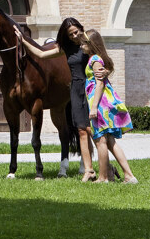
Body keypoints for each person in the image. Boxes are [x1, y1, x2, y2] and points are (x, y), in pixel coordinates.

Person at [19, 17, 96, 181]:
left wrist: (104, 73)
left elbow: (103, 61)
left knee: (93, 131)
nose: (74, 35)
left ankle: (107, 166)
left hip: (89, 88)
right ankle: (88, 169)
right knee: (81, 129)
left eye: (76, 32)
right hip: (75, 89)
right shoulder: (66, 48)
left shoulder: (90, 44)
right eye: (70, 34)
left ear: (81, 29)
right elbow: (41, 53)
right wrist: (23, 40)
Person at [83, 30, 137, 184]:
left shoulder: (94, 59)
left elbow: (99, 83)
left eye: (84, 43)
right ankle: (129, 175)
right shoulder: (97, 59)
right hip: (101, 103)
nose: (81, 46)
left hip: (99, 104)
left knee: (100, 140)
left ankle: (103, 177)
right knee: (111, 141)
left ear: (91, 44)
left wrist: (93, 108)